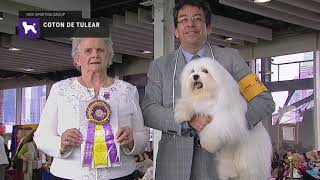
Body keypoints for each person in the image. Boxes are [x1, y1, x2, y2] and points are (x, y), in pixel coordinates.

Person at [142, 0, 275, 179]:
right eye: (183, 20)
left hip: (220, 166)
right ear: (175, 30)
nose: (190, 24)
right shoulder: (160, 66)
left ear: (209, 27)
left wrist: (229, 125)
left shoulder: (231, 59)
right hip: (173, 168)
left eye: (197, 18)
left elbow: (264, 101)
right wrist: (187, 121)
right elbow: (149, 111)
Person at [34, 37, 148, 180]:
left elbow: (143, 136)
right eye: (88, 51)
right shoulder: (60, 89)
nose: (95, 55)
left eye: (100, 50)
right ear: (77, 59)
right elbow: (41, 137)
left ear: (109, 56)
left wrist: (132, 140)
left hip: (121, 175)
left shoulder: (128, 90)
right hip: (66, 175)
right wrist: (61, 143)